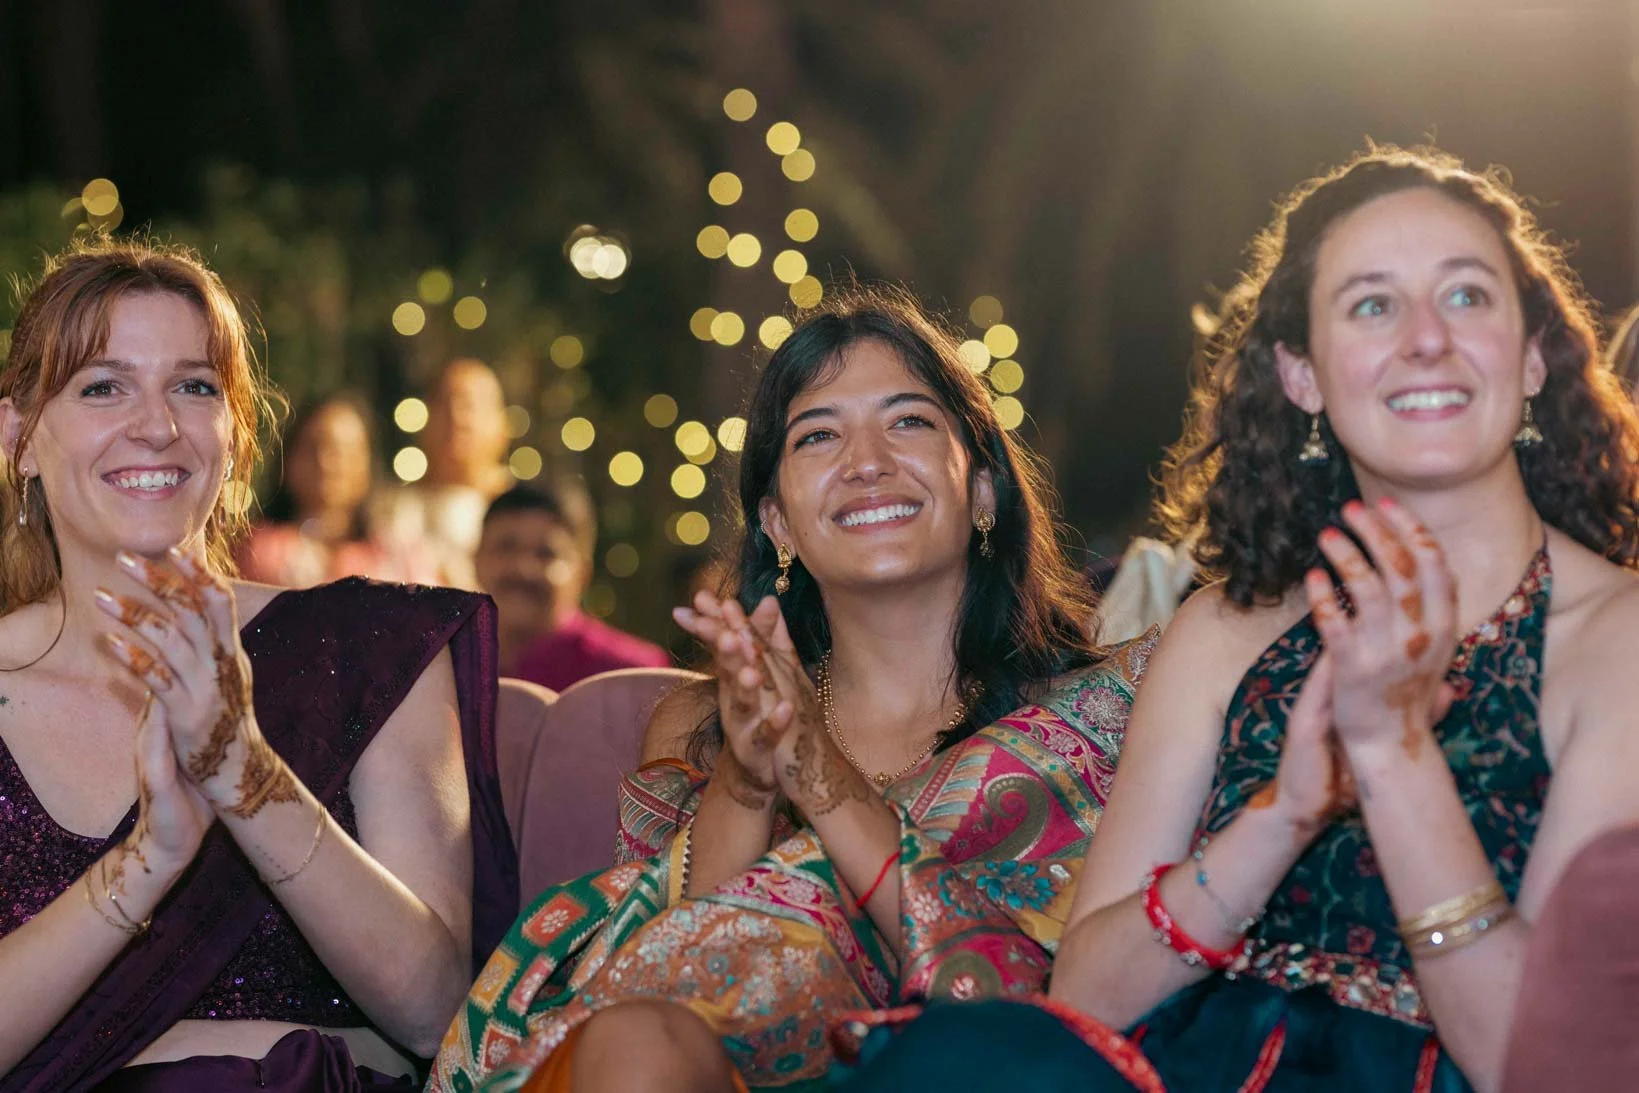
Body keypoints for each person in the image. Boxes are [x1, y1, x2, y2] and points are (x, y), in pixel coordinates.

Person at [835, 145, 1639, 1093]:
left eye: (1466, 296)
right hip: (1180, 1065)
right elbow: (1085, 999)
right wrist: (1281, 816)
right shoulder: (1225, 630)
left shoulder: (1615, 638)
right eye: (1372, 305)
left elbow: (1544, 1065)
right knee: (961, 1055)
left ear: (1533, 353)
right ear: (1300, 376)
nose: (1427, 338)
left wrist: (1390, 755)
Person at [429, 286, 1150, 1092]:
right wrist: (746, 777)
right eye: (818, 436)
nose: (866, 461)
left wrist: (819, 774)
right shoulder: (700, 726)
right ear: (777, 522)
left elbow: (1065, 1010)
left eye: (908, 421)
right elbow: (660, 982)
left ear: (982, 488)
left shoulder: (1099, 719)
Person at [0, 239, 517, 1091]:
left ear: (235, 436)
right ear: (19, 439)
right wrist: (144, 867)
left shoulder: (369, 647)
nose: (157, 423)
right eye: (103, 385)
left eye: (194, 386)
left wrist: (244, 773)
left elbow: (434, 1013)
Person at [474, 482, 670, 690]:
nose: (523, 569)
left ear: (584, 571)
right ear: (476, 559)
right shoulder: (447, 665)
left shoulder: (630, 675)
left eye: (546, 553)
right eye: (506, 547)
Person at [237, 393, 444, 587]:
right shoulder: (256, 552)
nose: (325, 462)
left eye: (342, 451)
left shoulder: (397, 553)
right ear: (289, 458)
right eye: (313, 447)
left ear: (367, 463)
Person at [393, 359, 514, 588]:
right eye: (445, 403)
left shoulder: (521, 513)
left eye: (470, 405)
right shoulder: (396, 510)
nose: (457, 418)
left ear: (502, 424)